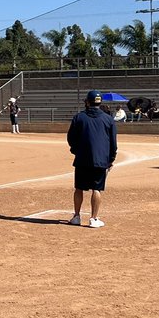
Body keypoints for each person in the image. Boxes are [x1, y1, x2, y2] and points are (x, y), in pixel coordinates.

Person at [67, 90, 117, 228]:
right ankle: (93, 219)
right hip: (101, 159)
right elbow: (113, 143)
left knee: (79, 188)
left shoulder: (79, 117)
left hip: (82, 158)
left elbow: (71, 138)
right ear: (100, 103)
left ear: (87, 102)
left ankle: (76, 216)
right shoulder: (108, 119)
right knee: (96, 189)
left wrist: (76, 151)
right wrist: (110, 159)